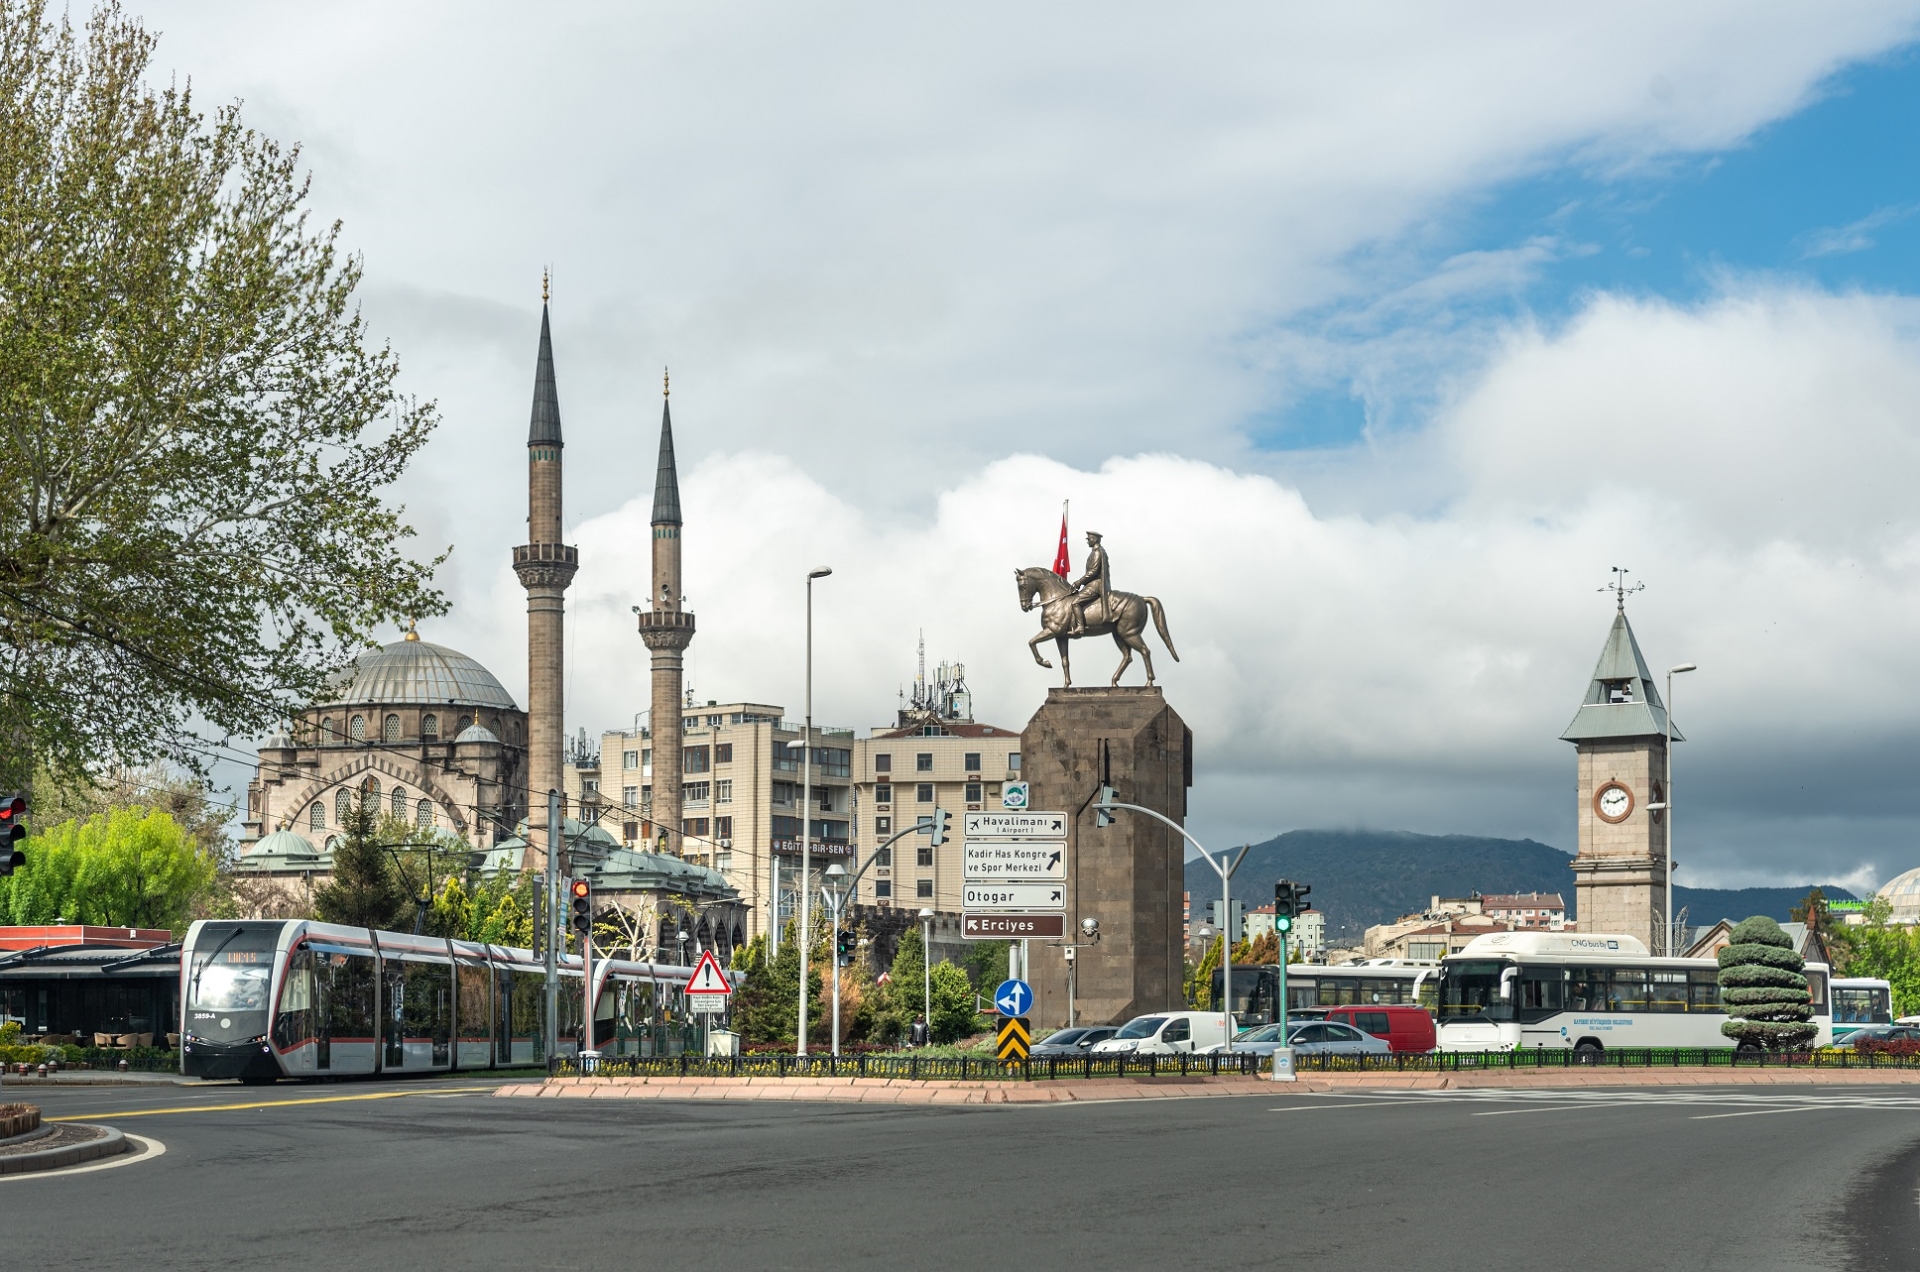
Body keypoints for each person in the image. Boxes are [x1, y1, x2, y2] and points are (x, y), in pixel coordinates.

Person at [1065, 530, 1110, 637]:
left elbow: (1093, 571)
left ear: (1094, 539)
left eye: (1089, 539)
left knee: (1075, 602)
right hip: (1092, 584)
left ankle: (1080, 627)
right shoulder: (1096, 551)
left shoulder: (1098, 552)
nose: (1087, 541)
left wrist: (1079, 582)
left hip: (1095, 585)